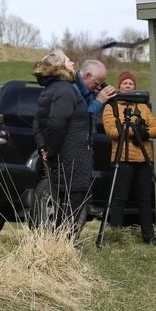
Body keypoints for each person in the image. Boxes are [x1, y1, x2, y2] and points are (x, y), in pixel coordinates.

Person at [32, 49, 92, 238]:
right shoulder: (64, 90)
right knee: (75, 199)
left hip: (65, 154)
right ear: (59, 67)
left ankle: (59, 243)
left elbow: (38, 123)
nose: (73, 63)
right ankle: (66, 244)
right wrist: (50, 151)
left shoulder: (51, 89)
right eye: (68, 61)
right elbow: (57, 124)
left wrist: (43, 147)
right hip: (72, 155)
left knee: (64, 198)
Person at [102, 71, 156, 245]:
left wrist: (145, 132)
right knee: (119, 198)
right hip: (122, 158)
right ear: (120, 86)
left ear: (135, 87)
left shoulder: (143, 107)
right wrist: (134, 131)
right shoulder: (111, 106)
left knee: (145, 199)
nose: (128, 86)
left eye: (131, 84)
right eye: (125, 83)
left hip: (143, 158)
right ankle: (116, 237)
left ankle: (149, 236)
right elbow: (111, 132)